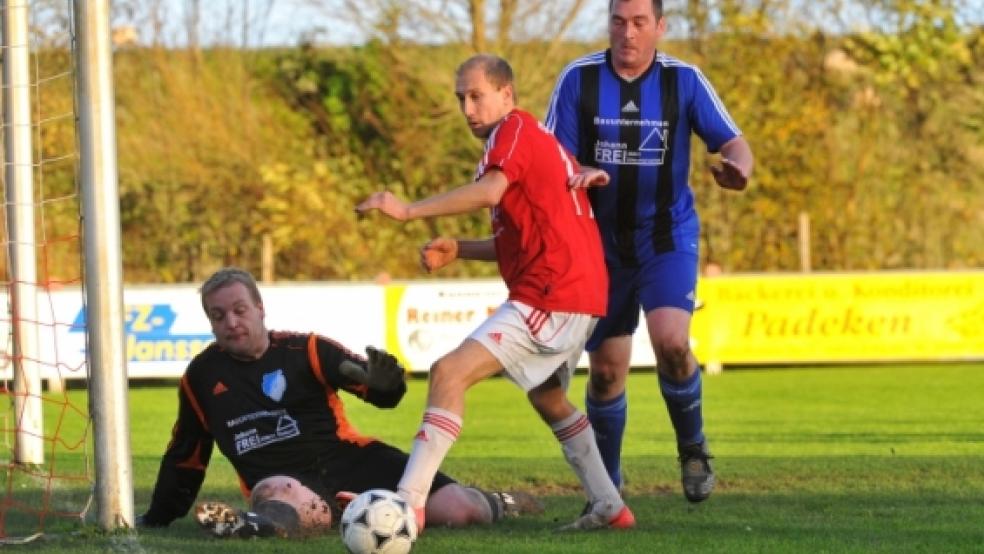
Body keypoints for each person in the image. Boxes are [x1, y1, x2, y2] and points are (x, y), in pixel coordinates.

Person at [355, 54, 634, 531]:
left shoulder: (513, 132)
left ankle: (406, 506)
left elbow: (488, 192)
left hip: (552, 293)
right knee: (549, 399)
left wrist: (406, 211)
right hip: (577, 293)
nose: (467, 107)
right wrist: (461, 248)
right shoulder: (524, 143)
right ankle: (610, 506)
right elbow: (521, 236)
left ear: (507, 95)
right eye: (460, 98)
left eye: (476, 95)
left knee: (448, 372)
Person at [135, 267, 537, 538]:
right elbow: (186, 456)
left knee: (460, 511)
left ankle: (499, 502)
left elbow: (375, 389)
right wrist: (156, 518)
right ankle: (249, 526)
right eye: (218, 316)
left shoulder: (307, 349)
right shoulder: (201, 378)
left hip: (352, 461)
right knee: (279, 495)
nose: (231, 322)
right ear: (210, 322)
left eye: (239, 310)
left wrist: (381, 384)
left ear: (260, 308)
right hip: (286, 482)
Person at [545, 0, 754, 503]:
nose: (628, 33)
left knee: (673, 342)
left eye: (640, 23)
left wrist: (738, 170)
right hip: (601, 241)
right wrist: (576, 177)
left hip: (666, 236)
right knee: (608, 369)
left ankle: (693, 448)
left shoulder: (684, 81)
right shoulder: (579, 79)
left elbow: (734, 143)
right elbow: (554, 159)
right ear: (609, 25)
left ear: (660, 27)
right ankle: (608, 489)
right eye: (619, 21)